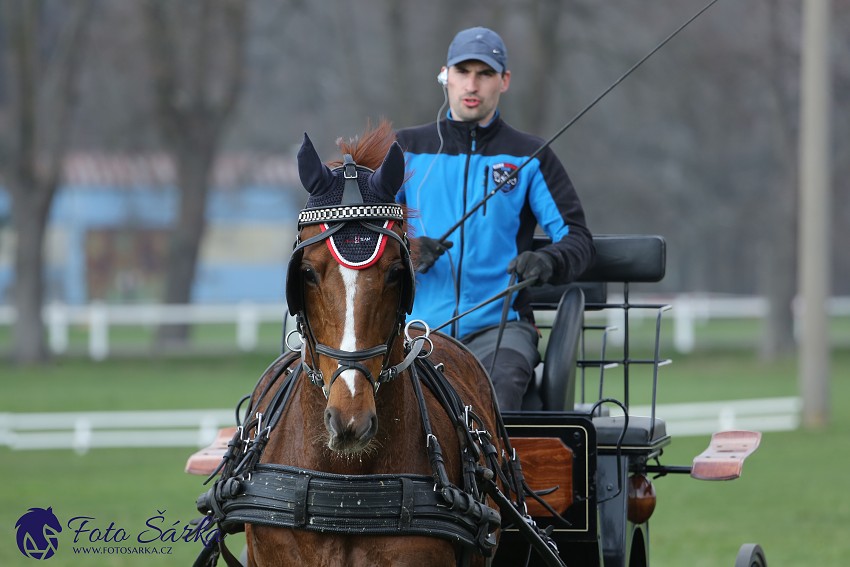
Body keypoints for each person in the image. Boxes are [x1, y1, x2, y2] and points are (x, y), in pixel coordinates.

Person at [394, 27, 595, 412]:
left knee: (494, 397)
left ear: (504, 81)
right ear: (445, 76)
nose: (472, 84)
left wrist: (548, 260)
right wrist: (408, 249)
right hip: (412, 329)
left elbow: (577, 238)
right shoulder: (404, 150)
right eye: (463, 71)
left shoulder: (531, 156)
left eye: (485, 73)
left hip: (500, 331)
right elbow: (366, 235)